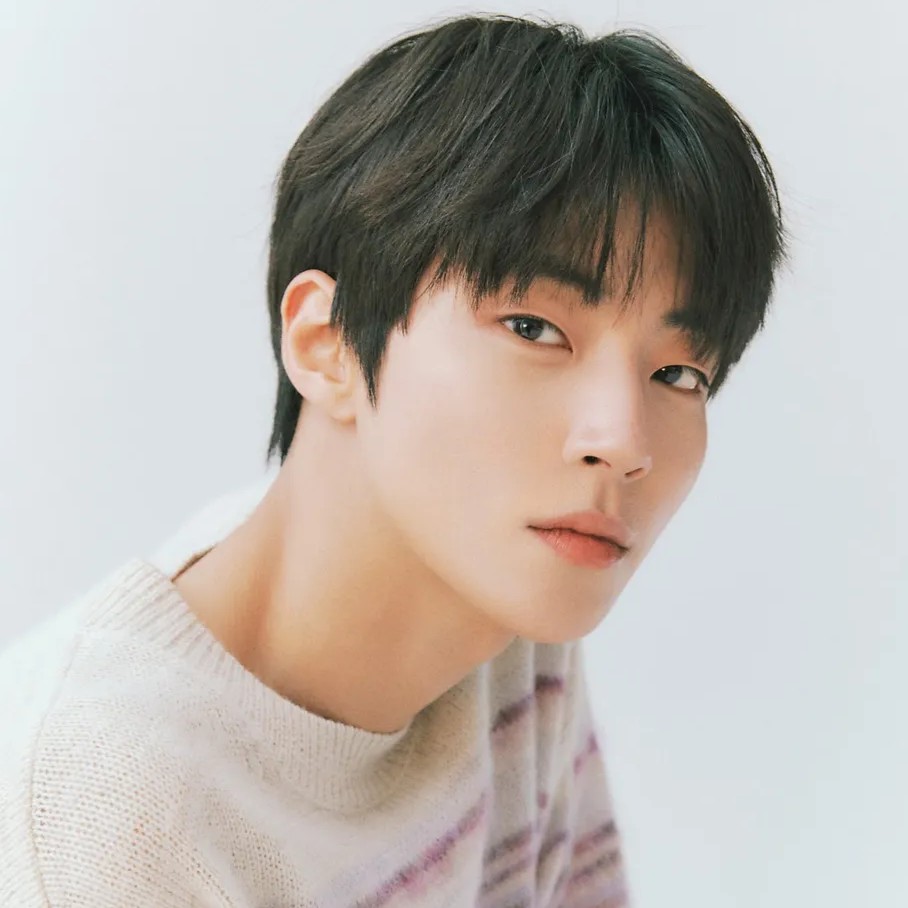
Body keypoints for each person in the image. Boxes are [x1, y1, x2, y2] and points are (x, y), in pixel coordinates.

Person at [0, 13, 786, 907]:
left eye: (679, 374)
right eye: (534, 328)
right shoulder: (94, 822)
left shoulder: (510, 617)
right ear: (326, 343)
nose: (623, 442)